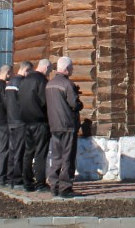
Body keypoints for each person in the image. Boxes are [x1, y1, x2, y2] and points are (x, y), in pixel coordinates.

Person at [45, 56, 82, 198]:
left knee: (56, 156)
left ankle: (54, 185)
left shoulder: (49, 84)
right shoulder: (68, 84)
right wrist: (79, 103)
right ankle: (65, 187)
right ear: (66, 69)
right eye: (71, 68)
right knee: (67, 156)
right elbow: (74, 104)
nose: (72, 70)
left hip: (54, 124)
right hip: (67, 124)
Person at [20, 58, 51, 192]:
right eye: (49, 70)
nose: (49, 72)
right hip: (39, 121)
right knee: (40, 153)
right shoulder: (42, 81)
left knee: (28, 152)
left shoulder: (24, 81)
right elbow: (45, 102)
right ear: (45, 68)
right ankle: (40, 183)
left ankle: (27, 182)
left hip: (26, 122)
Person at [5, 61, 30, 189]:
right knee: (20, 151)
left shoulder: (10, 83)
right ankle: (18, 178)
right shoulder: (21, 83)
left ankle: (10, 178)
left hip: (10, 120)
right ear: (26, 70)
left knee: (12, 150)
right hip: (20, 121)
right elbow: (25, 102)